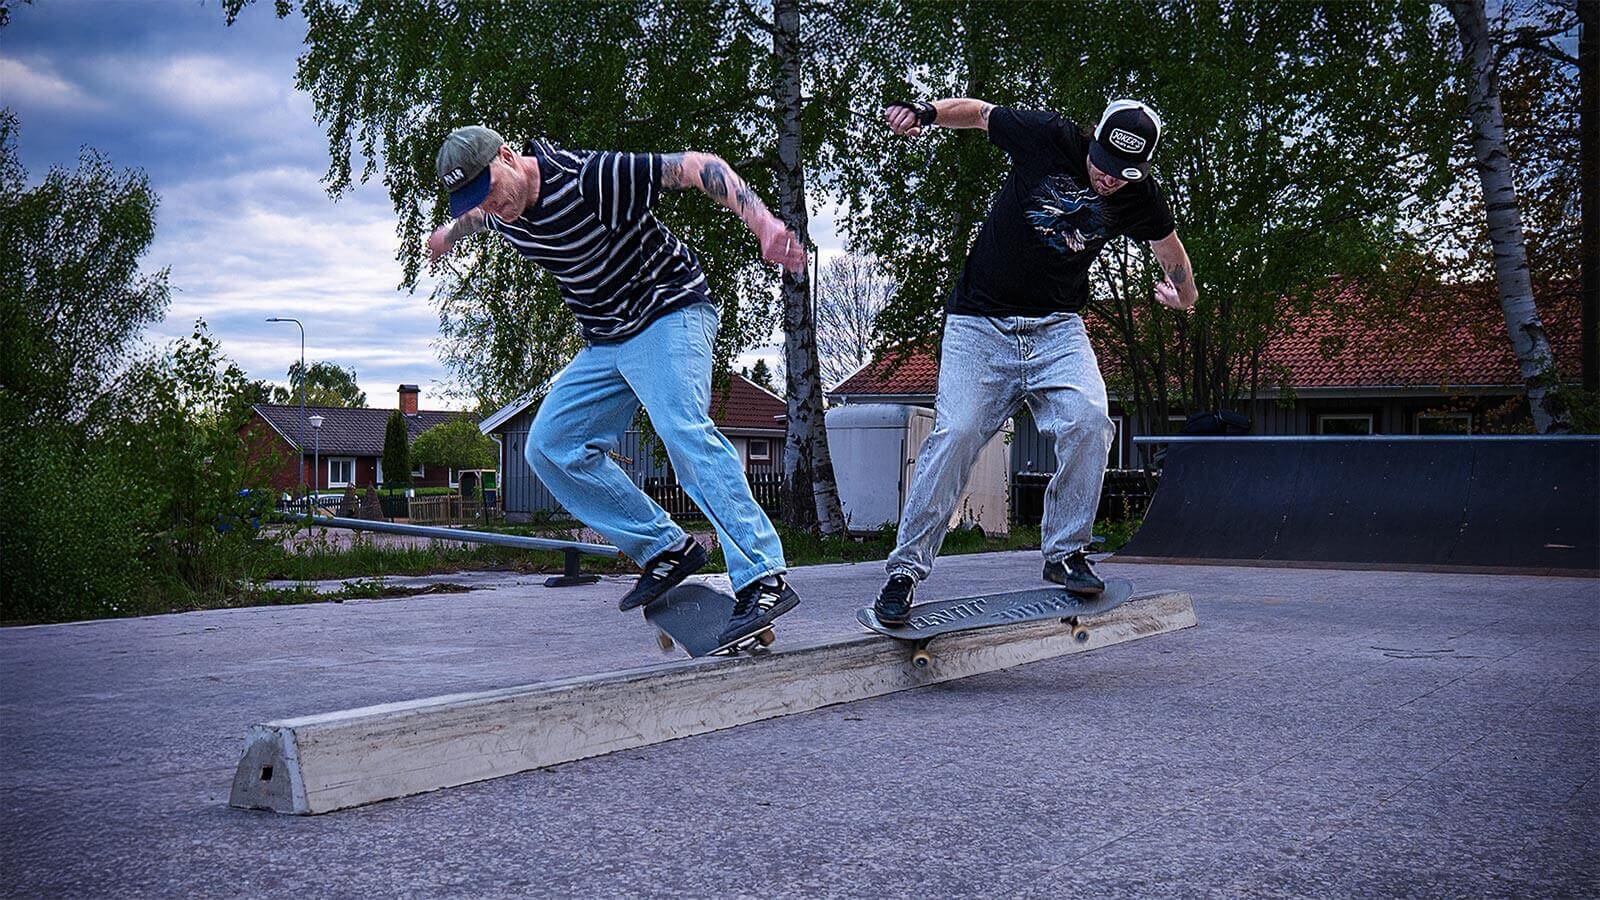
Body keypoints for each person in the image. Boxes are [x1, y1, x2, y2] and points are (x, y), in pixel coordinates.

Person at [427, 125, 805, 649]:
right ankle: (664, 547)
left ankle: (762, 575)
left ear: (509, 157)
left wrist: (764, 224)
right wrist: (446, 236)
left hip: (669, 311)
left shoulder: (590, 178)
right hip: (607, 339)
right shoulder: (494, 208)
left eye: (492, 190)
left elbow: (696, 166)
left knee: (681, 428)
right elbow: (475, 217)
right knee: (550, 448)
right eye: (478, 200)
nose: (494, 206)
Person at [873, 98, 1198, 625]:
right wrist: (926, 113)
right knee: (955, 436)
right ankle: (904, 572)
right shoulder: (1047, 136)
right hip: (979, 323)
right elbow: (980, 114)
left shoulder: (1141, 196)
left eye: (1123, 175)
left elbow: (1170, 249)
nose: (1109, 181)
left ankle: (1066, 552)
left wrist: (1186, 296)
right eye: (1102, 166)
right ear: (1092, 140)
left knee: (1092, 420)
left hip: (1057, 329)